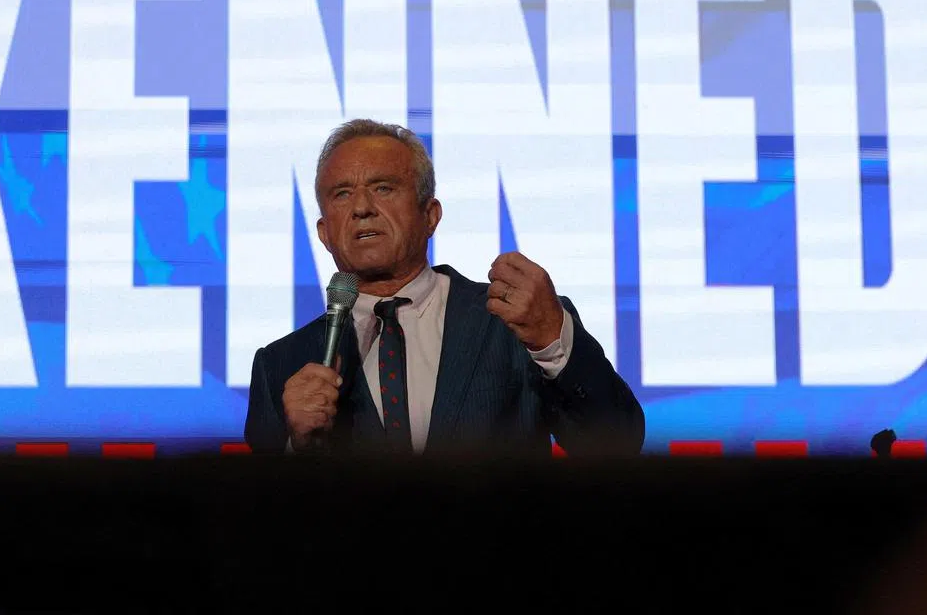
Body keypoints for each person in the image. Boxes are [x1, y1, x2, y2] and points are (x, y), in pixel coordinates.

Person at [243, 119, 644, 456]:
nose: (361, 207)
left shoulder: (515, 325)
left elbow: (618, 446)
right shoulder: (281, 364)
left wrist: (554, 344)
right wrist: (295, 448)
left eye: (383, 188)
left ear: (430, 215)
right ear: (324, 232)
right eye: (342, 194)